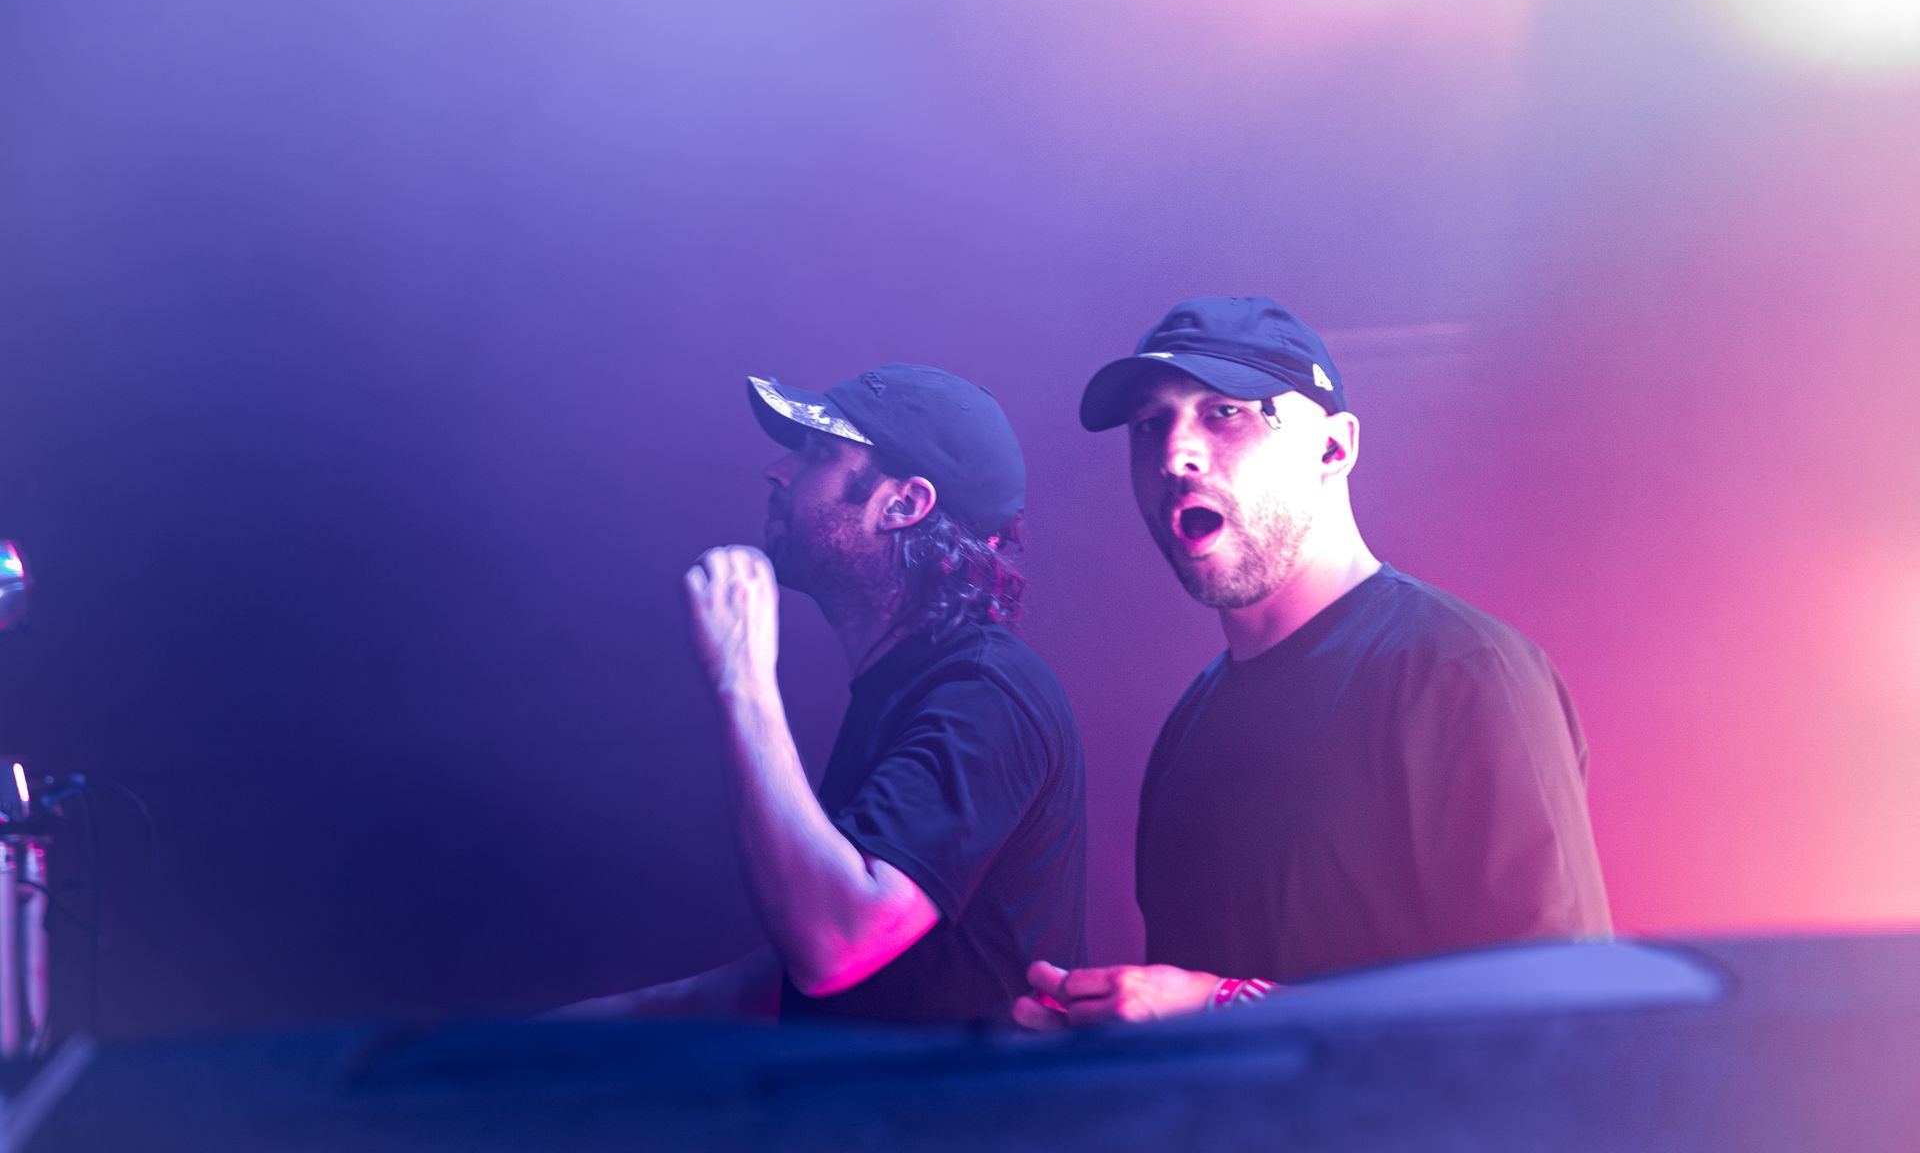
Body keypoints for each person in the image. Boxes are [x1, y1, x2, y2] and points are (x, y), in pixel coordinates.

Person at [1016, 296, 1609, 1028]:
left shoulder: (1463, 673)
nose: (1175, 455)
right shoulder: (1190, 727)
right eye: (1150, 425)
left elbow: (1564, 1018)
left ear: (1334, 448)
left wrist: (1226, 1007)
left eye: (1224, 412)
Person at [568, 364, 1086, 1025]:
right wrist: (567, 1033)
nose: (778, 471)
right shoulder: (906, 686)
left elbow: (835, 945)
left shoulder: (983, 692)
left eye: (817, 454)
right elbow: (824, 981)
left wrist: (743, 674)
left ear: (902, 504)